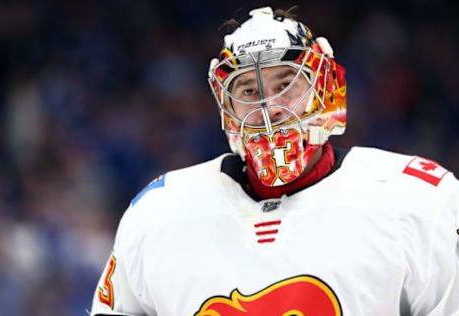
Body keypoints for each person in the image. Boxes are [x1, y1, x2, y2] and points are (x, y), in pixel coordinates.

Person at [90, 6, 459, 316]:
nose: (269, 109)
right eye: (249, 90)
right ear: (226, 106)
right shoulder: (157, 215)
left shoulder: (417, 200)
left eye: (286, 84)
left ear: (323, 88)